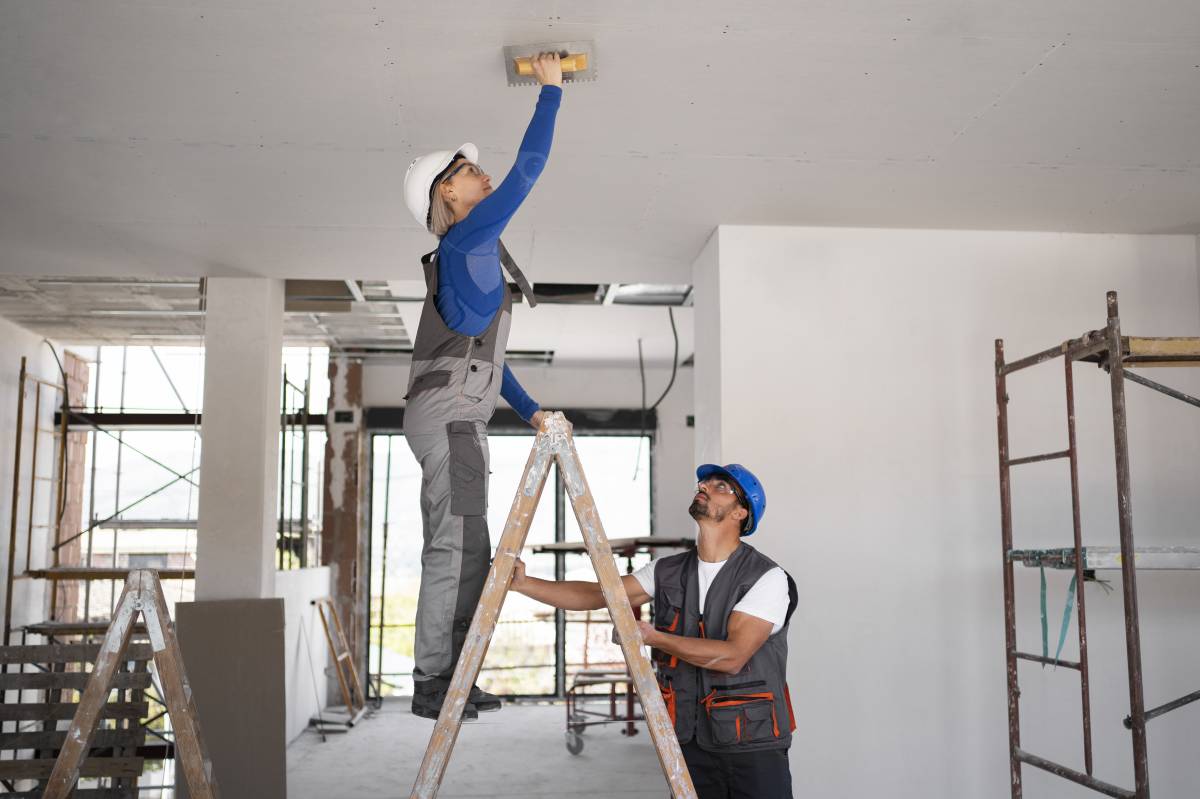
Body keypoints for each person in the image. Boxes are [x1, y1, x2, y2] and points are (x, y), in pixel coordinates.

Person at [399, 52, 564, 721]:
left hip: (450, 412)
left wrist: (526, 409)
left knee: (468, 548)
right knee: (457, 547)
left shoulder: (469, 254)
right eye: (469, 172)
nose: (484, 176)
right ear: (449, 196)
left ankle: (451, 675)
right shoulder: (467, 241)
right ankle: (435, 680)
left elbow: (488, 363)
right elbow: (527, 172)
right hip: (451, 419)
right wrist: (550, 92)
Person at [511, 463, 797, 799]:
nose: (704, 485)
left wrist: (652, 637)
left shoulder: (767, 578)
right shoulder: (666, 571)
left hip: (752, 744)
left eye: (721, 486)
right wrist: (524, 584)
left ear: (741, 513)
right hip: (688, 739)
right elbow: (596, 594)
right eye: (704, 481)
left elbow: (733, 656)